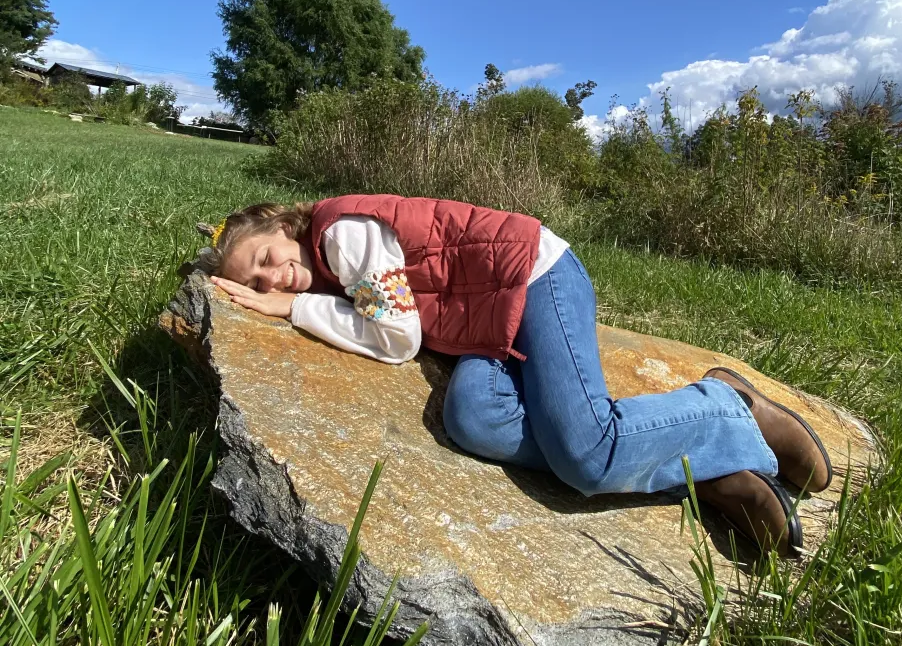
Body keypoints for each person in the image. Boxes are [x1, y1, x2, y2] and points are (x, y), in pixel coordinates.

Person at [199, 195, 833, 555]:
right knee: (474, 419)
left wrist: (296, 308)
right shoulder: (332, 264)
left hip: (534, 278)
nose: (271, 279)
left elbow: (395, 336)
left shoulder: (342, 235)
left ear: (286, 228)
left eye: (266, 260)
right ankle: (699, 472)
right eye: (254, 285)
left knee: (586, 456)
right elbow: (385, 314)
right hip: (486, 322)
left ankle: (727, 409)